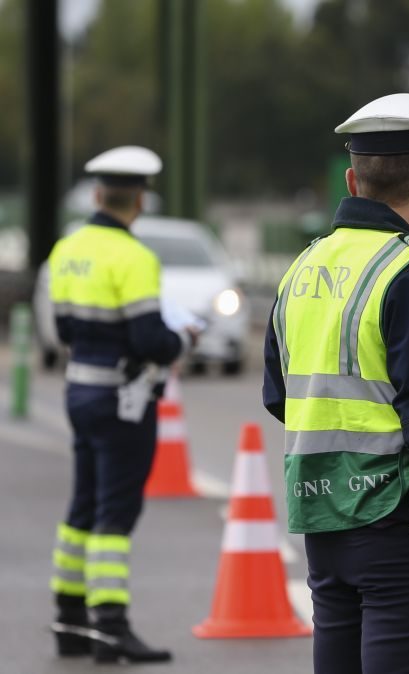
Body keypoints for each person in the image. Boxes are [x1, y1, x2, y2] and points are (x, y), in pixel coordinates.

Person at [262, 93, 409, 674]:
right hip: (400, 530)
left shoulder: (305, 267)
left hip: (322, 521)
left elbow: (279, 395)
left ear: (352, 178)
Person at [47, 146, 199, 664]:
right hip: (122, 399)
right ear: (139, 198)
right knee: (116, 511)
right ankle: (110, 628)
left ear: (96, 194)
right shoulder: (134, 257)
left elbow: (63, 327)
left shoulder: (68, 247)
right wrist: (183, 340)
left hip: (80, 390)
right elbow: (149, 339)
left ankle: (68, 620)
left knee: (82, 505)